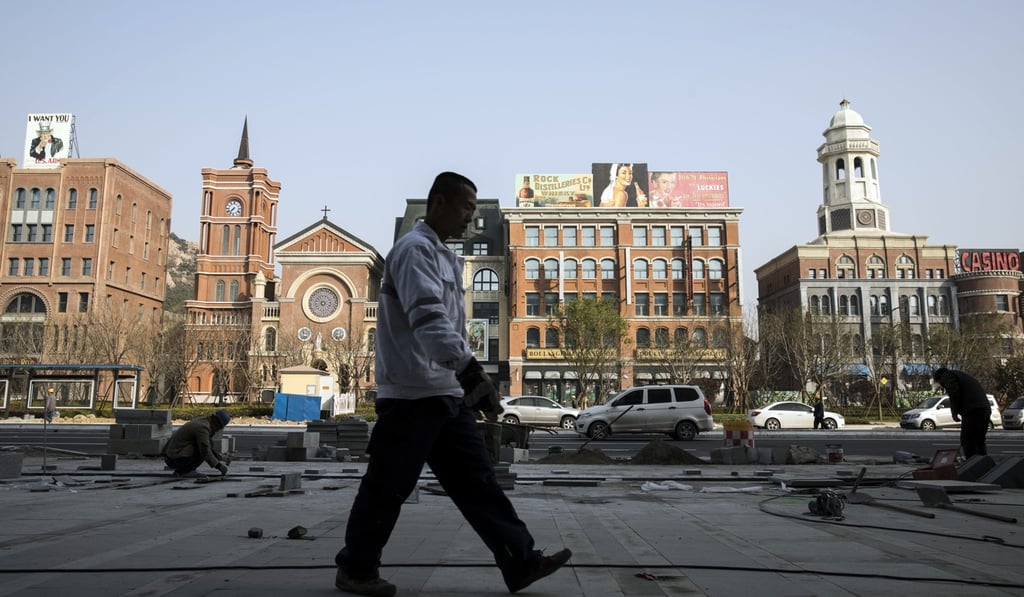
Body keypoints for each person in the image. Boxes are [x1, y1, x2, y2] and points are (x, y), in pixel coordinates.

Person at [334, 172, 572, 597]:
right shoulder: (413, 251)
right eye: (465, 207)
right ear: (439, 203)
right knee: (388, 487)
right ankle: (355, 568)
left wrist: (466, 379)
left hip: (444, 393)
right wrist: (470, 371)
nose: (470, 217)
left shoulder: (444, 256)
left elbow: (449, 328)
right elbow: (428, 320)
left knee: (479, 483)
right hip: (410, 396)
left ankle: (520, 561)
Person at [932, 367, 991, 458]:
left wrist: (954, 412)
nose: (942, 385)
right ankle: (983, 463)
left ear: (940, 377)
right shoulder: (961, 375)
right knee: (979, 440)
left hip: (973, 410)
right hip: (984, 408)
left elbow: (954, 393)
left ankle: (972, 464)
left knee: (967, 440)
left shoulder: (948, 376)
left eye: (940, 382)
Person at [162, 410, 231, 477]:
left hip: (172, 457)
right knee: (201, 448)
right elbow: (205, 450)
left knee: (209, 443)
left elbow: (208, 447)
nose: (218, 430)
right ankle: (185, 471)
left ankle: (185, 470)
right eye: (220, 427)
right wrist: (218, 466)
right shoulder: (203, 428)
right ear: (217, 422)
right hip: (174, 459)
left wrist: (220, 458)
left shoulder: (204, 421)